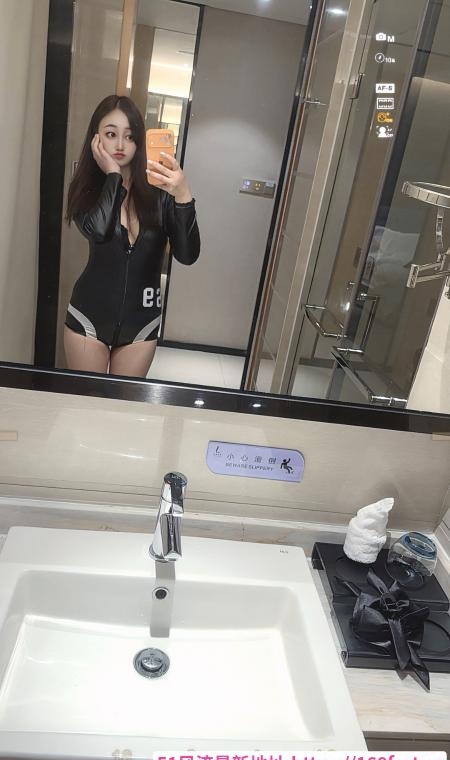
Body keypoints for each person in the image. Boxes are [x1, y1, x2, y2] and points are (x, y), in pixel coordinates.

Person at [64, 94, 200, 377]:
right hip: (89, 316)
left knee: (123, 402)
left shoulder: (161, 193)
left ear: (139, 141)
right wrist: (113, 176)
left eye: (129, 136)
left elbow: (187, 256)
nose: (120, 145)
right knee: (86, 400)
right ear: (95, 139)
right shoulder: (87, 189)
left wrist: (183, 195)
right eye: (110, 134)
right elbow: (99, 232)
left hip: (142, 321)